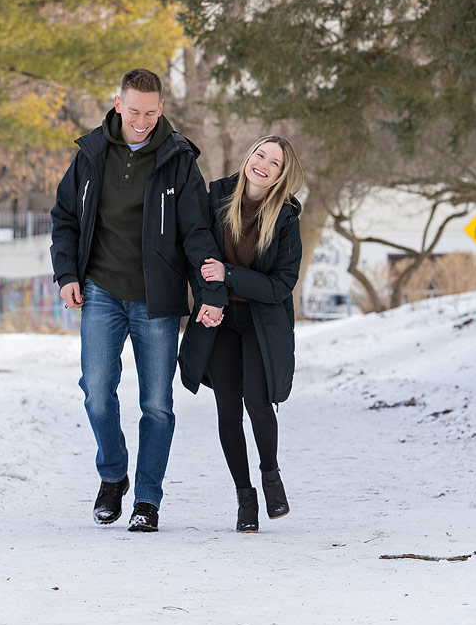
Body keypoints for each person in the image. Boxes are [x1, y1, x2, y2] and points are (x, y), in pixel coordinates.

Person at [50, 68, 226, 531]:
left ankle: (147, 499)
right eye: (134, 111)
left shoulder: (179, 159)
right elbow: (65, 217)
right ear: (117, 103)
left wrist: (211, 291)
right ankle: (113, 476)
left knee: (157, 405)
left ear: (162, 108)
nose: (142, 120)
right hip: (101, 292)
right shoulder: (91, 154)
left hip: (157, 299)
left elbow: (197, 233)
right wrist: (67, 273)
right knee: (96, 394)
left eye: (151, 112)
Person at [178, 136, 304, 532]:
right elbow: (196, 256)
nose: (263, 165)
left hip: (261, 322)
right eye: (260, 155)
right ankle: (244, 498)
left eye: (274, 163)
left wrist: (230, 275)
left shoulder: (284, 218)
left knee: (258, 401)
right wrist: (208, 300)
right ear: (249, 156)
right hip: (219, 320)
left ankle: (271, 475)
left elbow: (280, 285)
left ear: (282, 175)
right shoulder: (216, 196)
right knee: (228, 410)